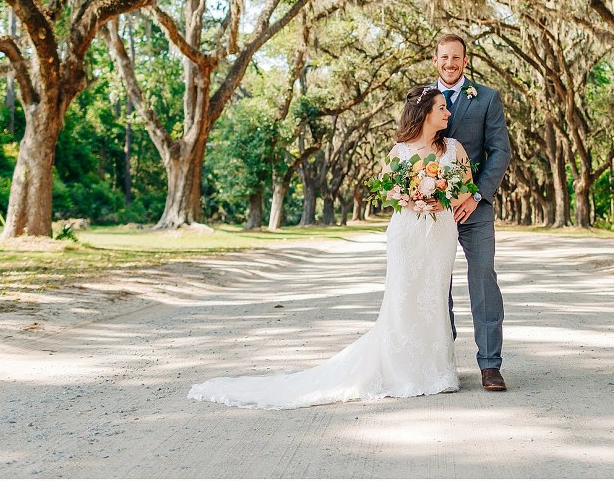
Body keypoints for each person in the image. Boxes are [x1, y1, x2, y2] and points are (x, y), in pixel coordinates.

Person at [188, 85, 469, 410]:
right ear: (425, 113)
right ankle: (403, 372)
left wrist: (441, 198)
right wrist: (413, 199)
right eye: (442, 108)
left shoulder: (454, 148)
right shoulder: (401, 151)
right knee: (403, 297)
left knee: (434, 296)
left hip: (441, 234)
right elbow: (385, 191)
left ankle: (438, 373)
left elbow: (465, 188)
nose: (448, 113)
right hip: (407, 232)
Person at [433, 33, 512, 392]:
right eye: (444, 57)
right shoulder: (420, 98)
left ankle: (490, 365)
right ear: (435, 60)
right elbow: (408, 143)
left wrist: (476, 195)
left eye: (457, 58)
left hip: (475, 207)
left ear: (466, 61)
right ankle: (441, 359)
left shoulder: (487, 98)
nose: (450, 63)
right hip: (432, 211)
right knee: (436, 284)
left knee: (482, 280)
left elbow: (499, 152)